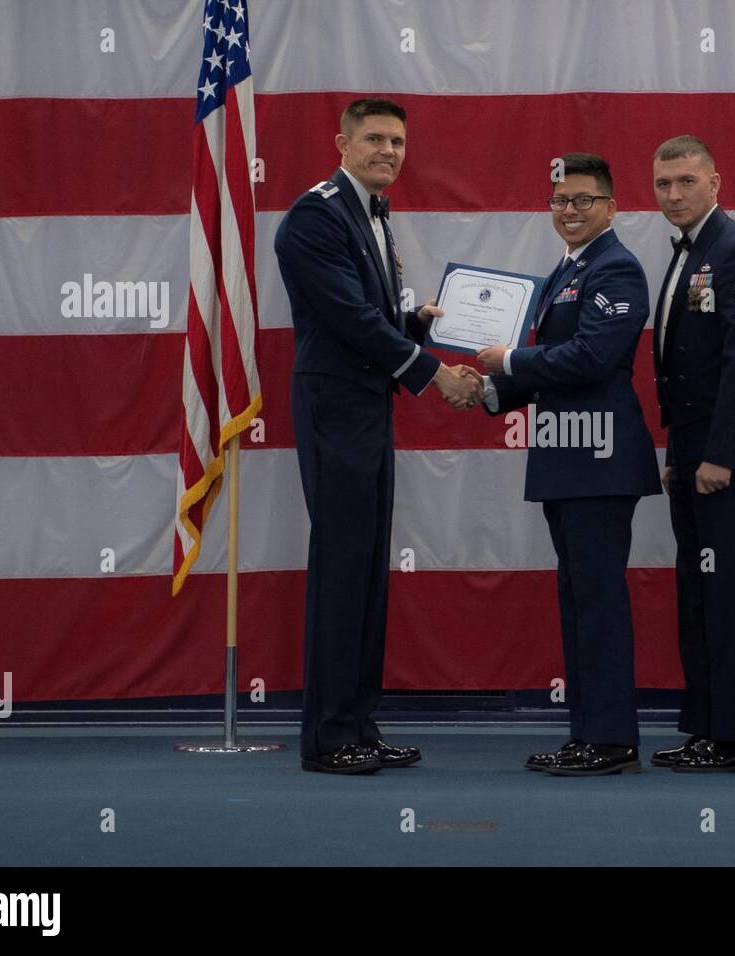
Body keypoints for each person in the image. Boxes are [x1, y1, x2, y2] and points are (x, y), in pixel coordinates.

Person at [274, 97, 483, 775]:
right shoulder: (316, 214)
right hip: (336, 406)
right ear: (341, 141)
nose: (389, 151)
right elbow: (347, 318)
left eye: (397, 141)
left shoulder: (369, 209)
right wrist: (430, 372)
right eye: (374, 139)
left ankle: (358, 722)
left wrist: (415, 323)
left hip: (364, 406)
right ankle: (330, 736)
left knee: (364, 570)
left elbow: (376, 314)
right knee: (342, 569)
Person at [477, 153, 661, 776]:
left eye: (584, 200)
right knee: (579, 600)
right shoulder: (566, 270)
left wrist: (506, 365)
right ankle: (589, 733)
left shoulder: (617, 268)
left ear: (612, 207)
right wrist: (488, 391)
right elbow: (553, 363)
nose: (570, 211)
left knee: (598, 602)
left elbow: (590, 358)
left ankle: (610, 739)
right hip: (566, 456)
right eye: (560, 201)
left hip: (599, 459)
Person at [648, 136, 735, 772]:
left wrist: (720, 453)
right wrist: (679, 448)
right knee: (697, 588)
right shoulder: (689, 251)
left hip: (731, 444)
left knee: (725, 588)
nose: (673, 195)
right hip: (694, 445)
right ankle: (706, 726)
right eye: (663, 184)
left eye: (685, 182)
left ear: (715, 182)